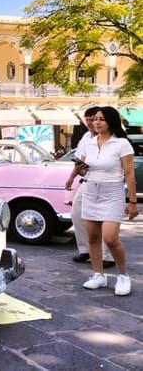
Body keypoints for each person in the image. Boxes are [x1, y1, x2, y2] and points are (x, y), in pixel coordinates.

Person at [80, 106, 137, 296]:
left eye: (101, 119)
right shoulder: (89, 143)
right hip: (90, 190)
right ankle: (98, 275)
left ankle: (123, 275)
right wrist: (77, 172)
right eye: (95, 119)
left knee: (110, 238)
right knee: (92, 237)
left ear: (111, 121)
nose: (96, 122)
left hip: (112, 192)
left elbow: (129, 175)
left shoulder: (122, 144)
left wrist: (133, 202)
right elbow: (83, 167)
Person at [65, 106, 114, 267]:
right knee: (77, 214)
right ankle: (85, 250)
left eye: (93, 119)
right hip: (86, 181)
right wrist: (71, 178)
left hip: (105, 183)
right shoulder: (86, 137)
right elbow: (79, 160)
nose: (90, 122)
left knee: (104, 220)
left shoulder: (112, 138)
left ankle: (108, 256)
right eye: (86, 119)